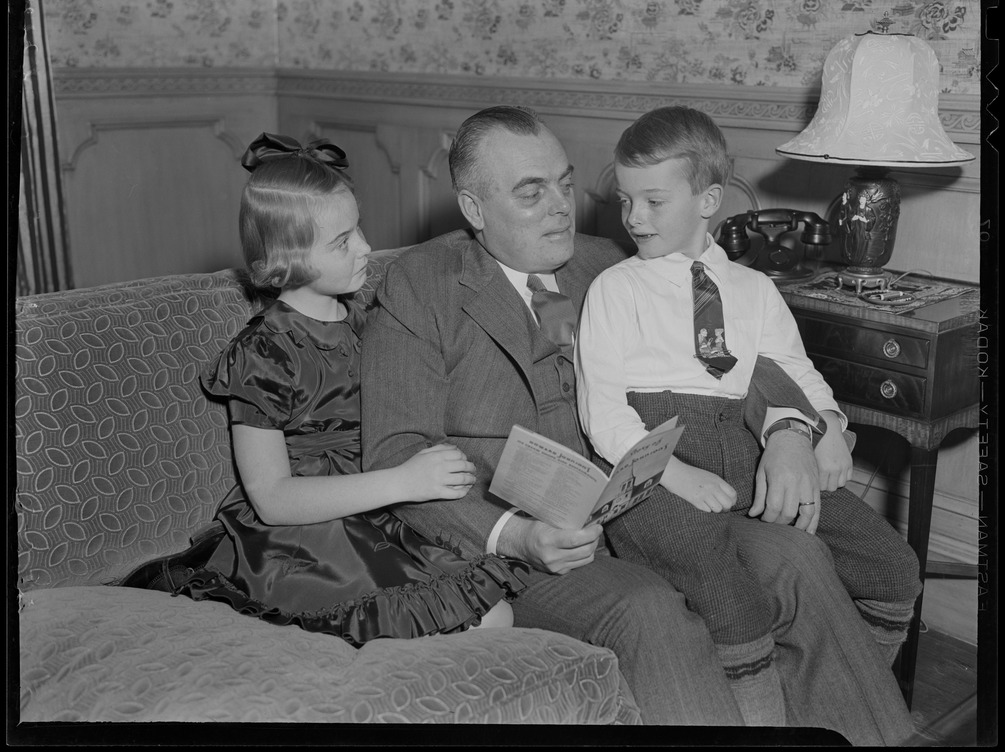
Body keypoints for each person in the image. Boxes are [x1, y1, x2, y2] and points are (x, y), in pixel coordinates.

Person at [360, 105, 916, 742]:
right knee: (649, 610)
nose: (560, 206)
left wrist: (791, 433)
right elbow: (395, 451)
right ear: (474, 208)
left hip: (652, 497)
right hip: (529, 534)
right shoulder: (420, 286)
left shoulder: (609, 260)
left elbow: (730, 355)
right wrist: (513, 535)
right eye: (529, 191)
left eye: (565, 183)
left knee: (794, 555)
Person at [575, 105, 922, 725]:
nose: (634, 217)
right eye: (626, 200)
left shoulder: (754, 290)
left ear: (708, 200)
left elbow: (792, 369)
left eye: (654, 201)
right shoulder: (617, 289)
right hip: (651, 468)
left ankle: (828, 703)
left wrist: (830, 426)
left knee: (891, 565)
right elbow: (604, 415)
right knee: (730, 598)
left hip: (742, 450)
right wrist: (675, 473)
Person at [121, 132, 530, 645]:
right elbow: (271, 499)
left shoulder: (373, 321)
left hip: (383, 505)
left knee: (496, 607)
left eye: (359, 228)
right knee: (480, 619)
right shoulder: (265, 352)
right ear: (287, 258)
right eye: (343, 241)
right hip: (305, 532)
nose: (365, 247)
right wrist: (403, 483)